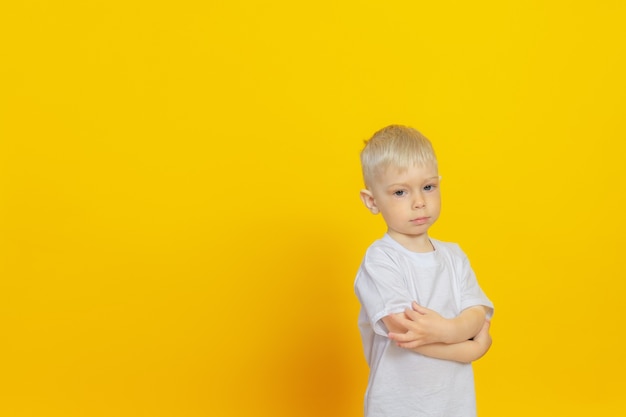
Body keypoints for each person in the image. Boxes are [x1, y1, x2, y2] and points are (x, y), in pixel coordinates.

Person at [354, 125, 494, 417]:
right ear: (372, 201)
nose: (419, 202)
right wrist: (468, 349)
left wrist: (447, 329)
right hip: (397, 406)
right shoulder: (380, 260)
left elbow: (476, 314)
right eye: (401, 192)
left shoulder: (454, 257)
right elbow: (404, 331)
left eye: (428, 187)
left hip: (453, 405)